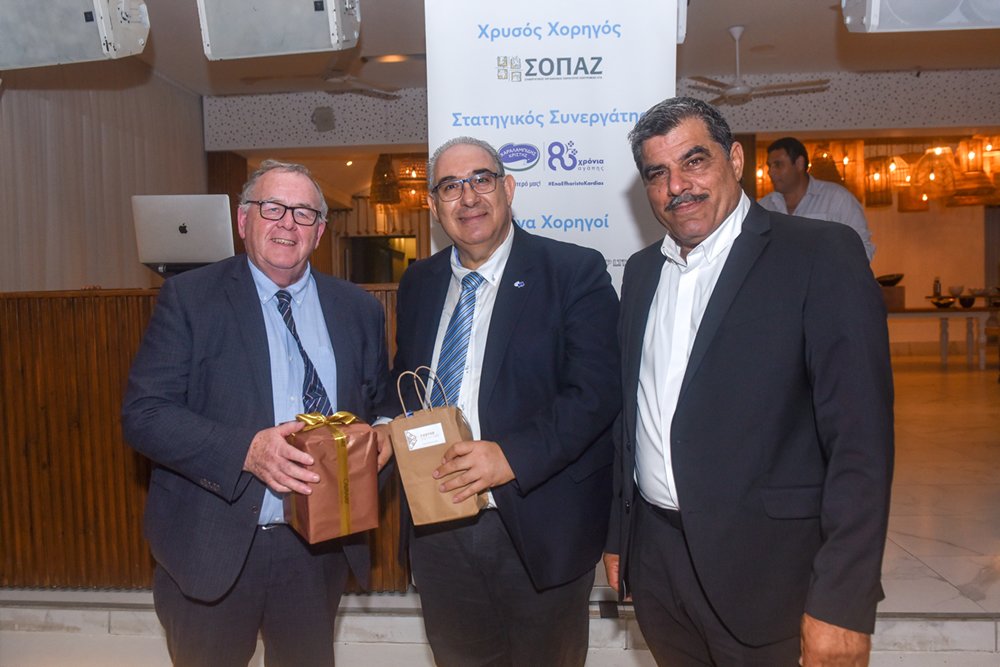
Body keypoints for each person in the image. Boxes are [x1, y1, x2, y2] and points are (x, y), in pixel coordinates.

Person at [603, 98, 894, 666]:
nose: (677, 186)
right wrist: (621, 538)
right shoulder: (641, 273)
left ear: (734, 160)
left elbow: (860, 444)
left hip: (771, 578)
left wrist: (843, 601)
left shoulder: (820, 254)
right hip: (660, 571)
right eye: (658, 173)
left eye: (694, 161)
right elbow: (631, 418)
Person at [121, 160, 391, 666]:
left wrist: (384, 434)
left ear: (320, 232)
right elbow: (145, 413)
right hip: (212, 544)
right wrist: (246, 451)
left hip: (317, 550)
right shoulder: (190, 298)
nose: (288, 223)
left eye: (304, 213)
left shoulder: (358, 309)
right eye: (273, 208)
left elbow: (379, 405)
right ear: (244, 220)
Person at [388, 136, 620, 666]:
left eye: (481, 179)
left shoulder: (573, 271)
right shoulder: (419, 282)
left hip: (537, 524)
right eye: (450, 186)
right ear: (433, 206)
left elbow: (596, 392)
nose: (468, 197)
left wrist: (509, 456)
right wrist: (385, 426)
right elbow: (407, 381)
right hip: (438, 525)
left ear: (508, 188)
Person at [759, 136, 876, 261]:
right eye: (769, 166)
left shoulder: (837, 199)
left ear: (799, 164)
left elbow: (862, 249)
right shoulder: (764, 207)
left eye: (778, 165)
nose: (770, 172)